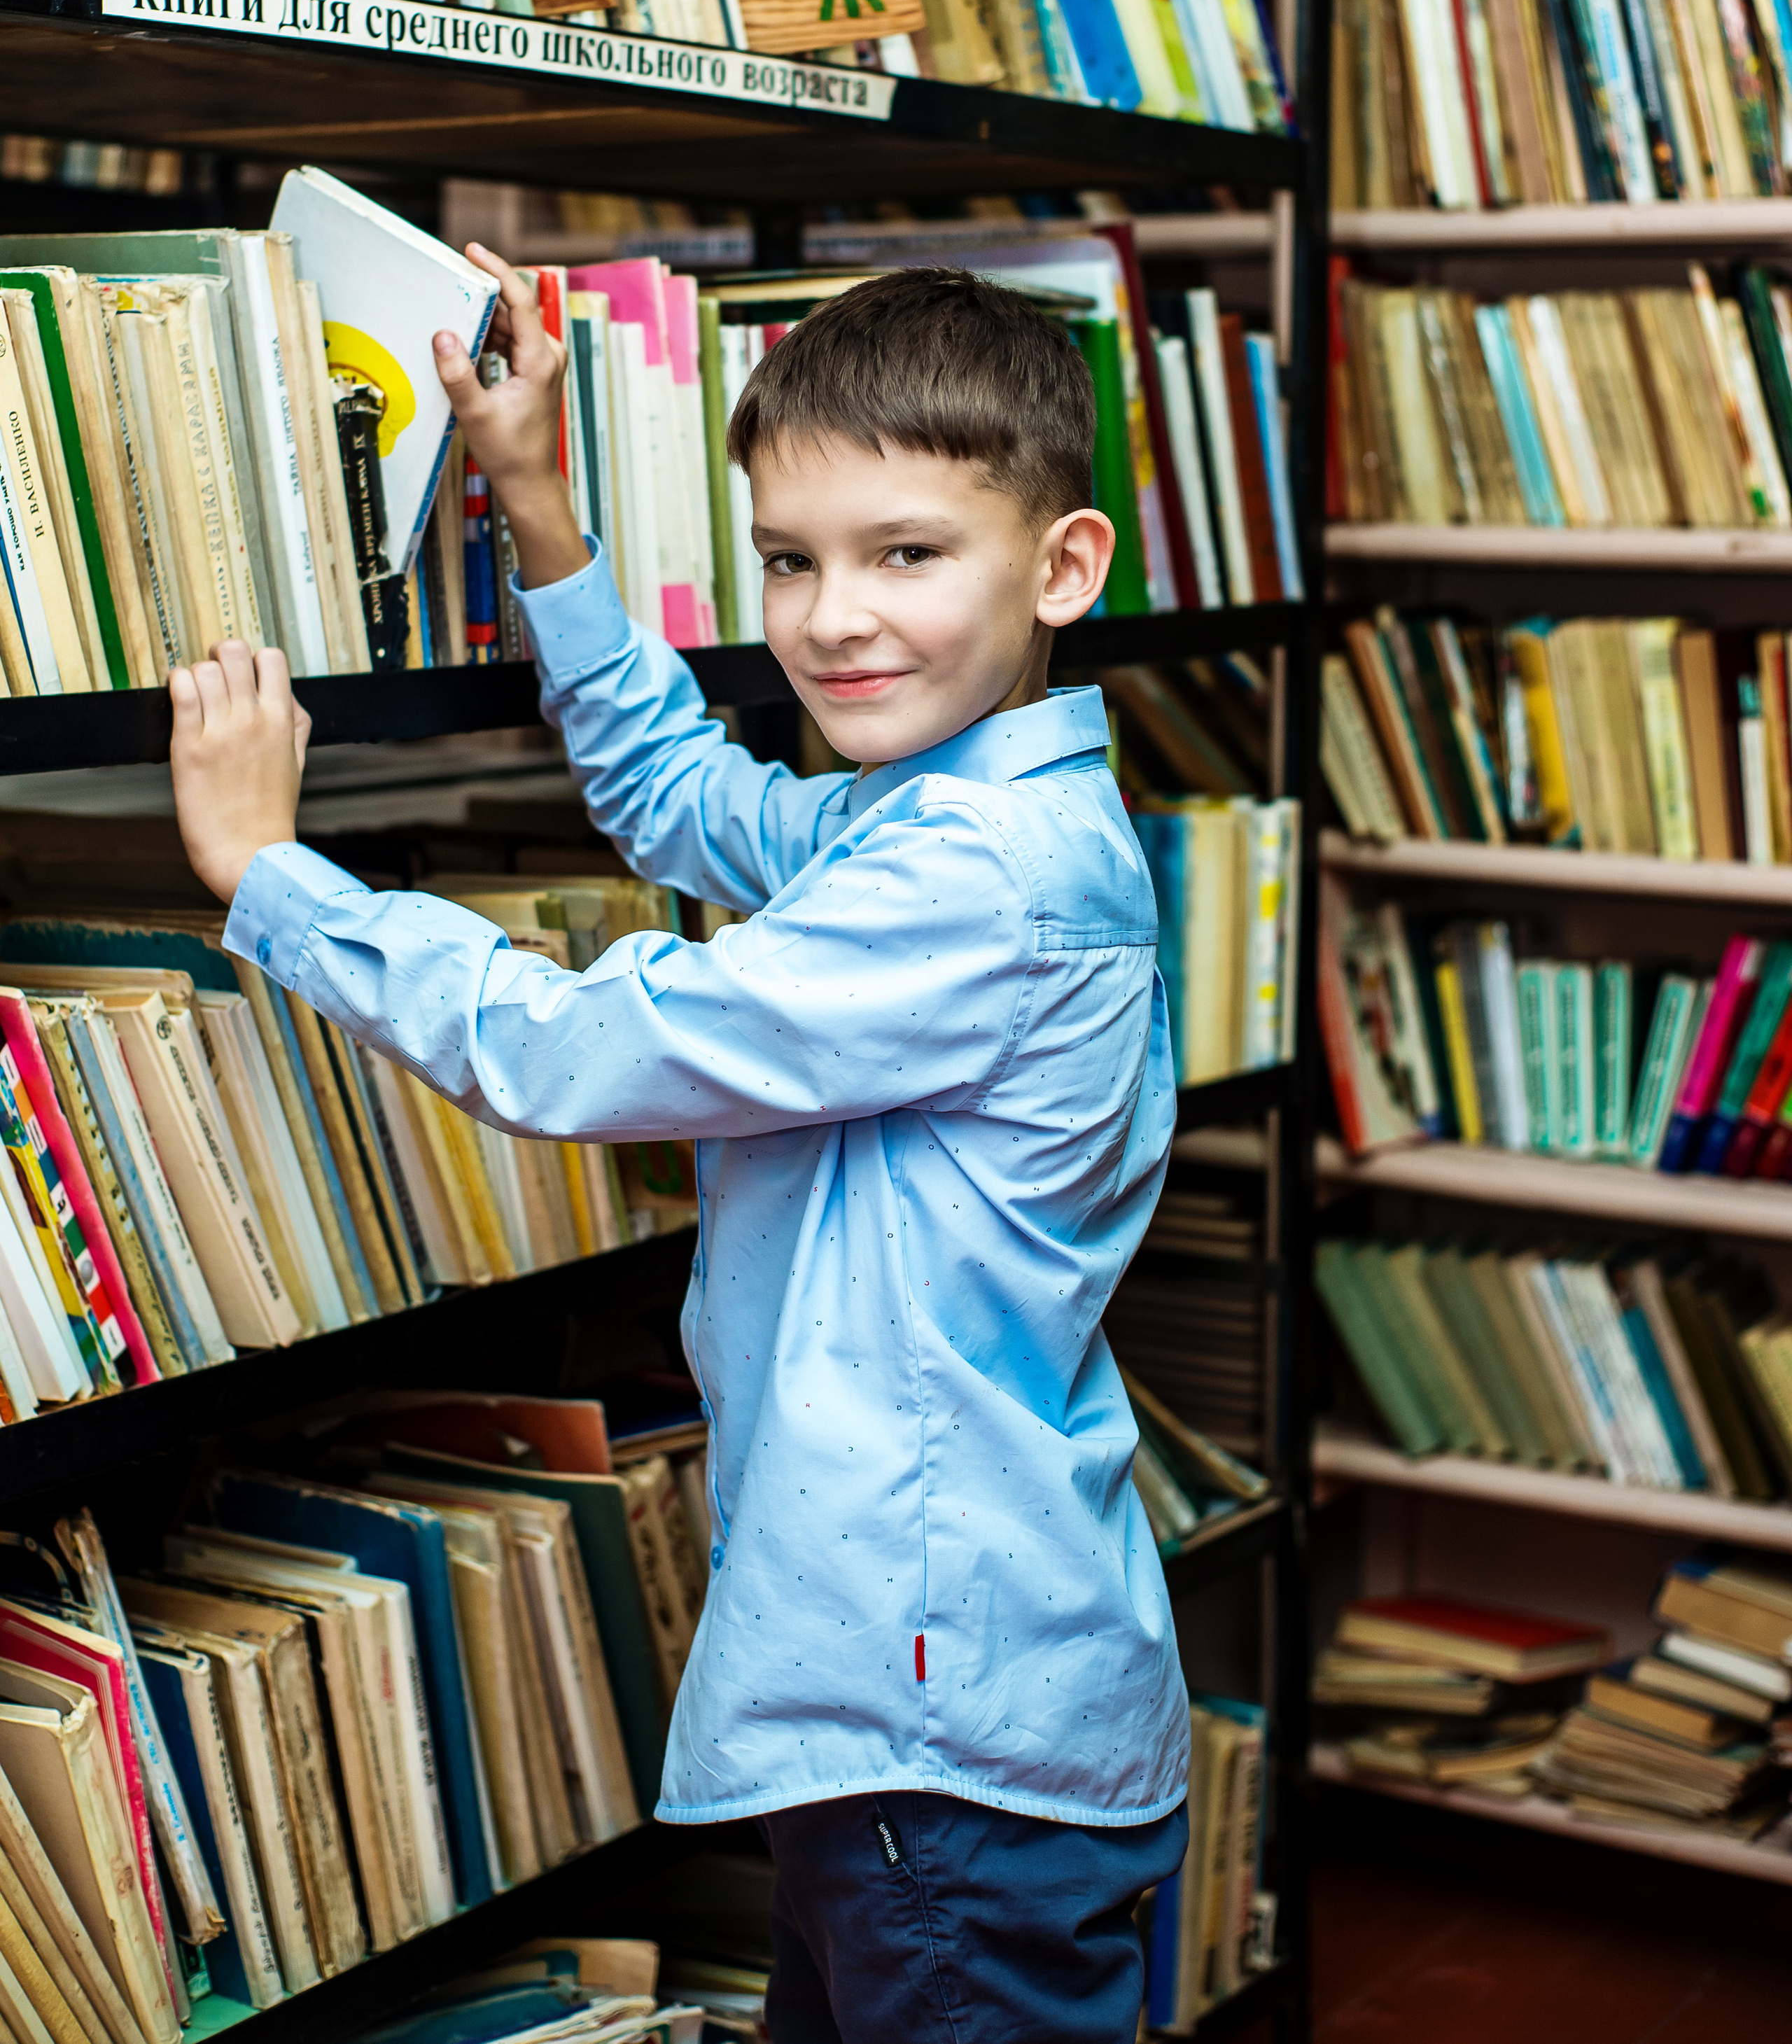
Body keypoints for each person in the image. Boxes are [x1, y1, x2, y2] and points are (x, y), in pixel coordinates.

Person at [168, 256, 1189, 2043]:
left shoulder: (970, 880)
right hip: (927, 1710)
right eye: (788, 559)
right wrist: (541, 507)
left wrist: (278, 880)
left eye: (904, 554)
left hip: (943, 1742)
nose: (830, 617)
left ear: (1062, 565)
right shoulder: (937, 813)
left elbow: (585, 1046)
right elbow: (686, 801)